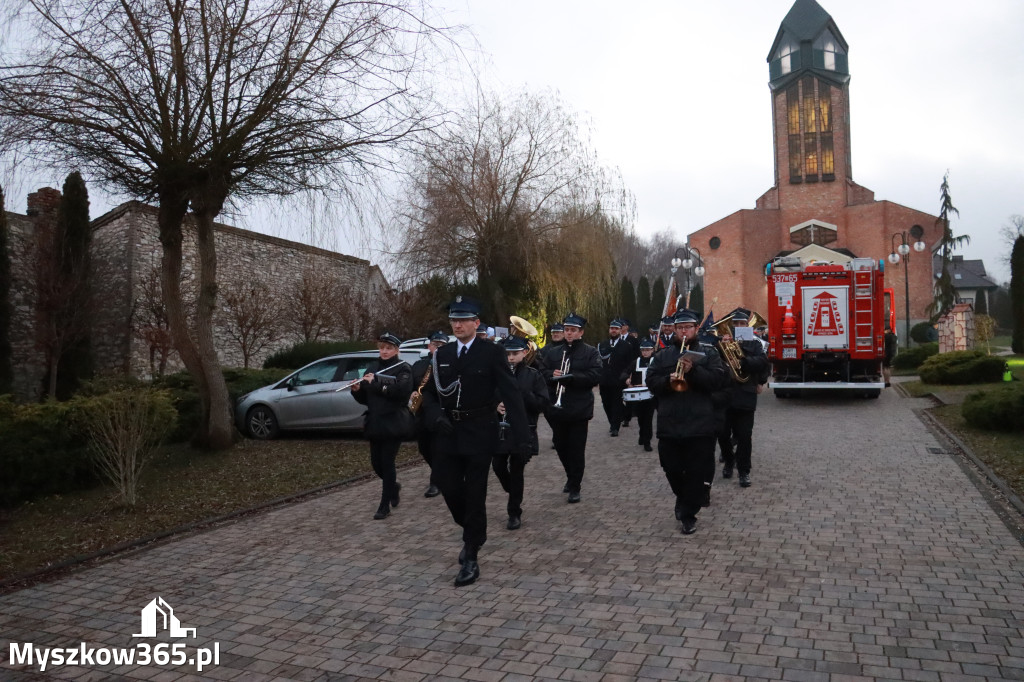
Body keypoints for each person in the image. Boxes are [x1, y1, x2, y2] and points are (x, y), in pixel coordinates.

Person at [420, 297, 529, 587]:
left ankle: (471, 554)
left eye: (464, 320)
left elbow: (511, 392)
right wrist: (433, 416)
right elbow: (429, 393)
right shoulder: (442, 355)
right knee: (450, 488)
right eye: (454, 320)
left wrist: (523, 436)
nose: (457, 324)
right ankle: (473, 531)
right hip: (447, 431)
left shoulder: (491, 353)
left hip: (480, 430)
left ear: (476, 323)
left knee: (476, 492)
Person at [646, 309, 730, 535]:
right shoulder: (663, 356)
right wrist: (667, 380)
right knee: (671, 468)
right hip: (669, 422)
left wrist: (693, 372)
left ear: (695, 329)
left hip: (699, 423)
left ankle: (688, 514)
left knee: (696, 471)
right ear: (674, 330)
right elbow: (651, 381)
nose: (684, 332)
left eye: (688, 327)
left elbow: (717, 381)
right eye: (679, 328)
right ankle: (683, 498)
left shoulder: (709, 354)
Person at [351, 332, 414, 520]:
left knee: (387, 463)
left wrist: (376, 383)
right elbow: (366, 398)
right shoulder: (373, 366)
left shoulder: (403, 369)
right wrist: (357, 391)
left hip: (393, 421)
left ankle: (384, 505)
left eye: (388, 348)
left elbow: (400, 393)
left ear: (396, 350)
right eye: (382, 348)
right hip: (375, 422)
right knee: (376, 464)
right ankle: (393, 487)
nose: (384, 351)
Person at [542, 312, 602, 503]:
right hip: (557, 407)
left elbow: (595, 375)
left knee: (576, 449)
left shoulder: (590, 352)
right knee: (560, 445)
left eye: (573, 330)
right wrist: (552, 373)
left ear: (581, 332)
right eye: (567, 330)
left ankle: (575, 485)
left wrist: (573, 377)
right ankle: (570, 475)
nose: (568, 333)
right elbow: (541, 372)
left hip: (579, 408)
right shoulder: (552, 352)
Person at [492, 336, 549, 530]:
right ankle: (513, 491)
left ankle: (514, 512)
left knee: (517, 471)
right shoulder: (497, 374)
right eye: (507, 354)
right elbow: (486, 396)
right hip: (500, 428)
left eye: (514, 354)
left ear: (524, 353)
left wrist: (523, 394)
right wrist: (495, 406)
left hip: (523, 430)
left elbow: (542, 403)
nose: (510, 358)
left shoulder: (533, 375)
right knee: (498, 465)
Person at [716, 312, 770, 487]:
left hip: (745, 394)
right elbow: (714, 364)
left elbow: (763, 362)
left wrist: (743, 361)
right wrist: (722, 349)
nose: (739, 325)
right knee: (723, 435)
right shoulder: (721, 343)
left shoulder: (755, 344)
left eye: (742, 322)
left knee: (745, 437)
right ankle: (729, 461)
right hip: (725, 396)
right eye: (736, 323)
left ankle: (744, 471)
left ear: (747, 325)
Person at [410, 330, 448, 498]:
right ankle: (442, 473)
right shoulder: (419, 365)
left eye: (442, 345)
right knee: (424, 448)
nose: (438, 348)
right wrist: (410, 394)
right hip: (421, 413)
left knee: (438, 448)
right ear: (429, 346)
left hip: (440, 412)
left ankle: (436, 481)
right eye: (435, 344)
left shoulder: (449, 364)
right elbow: (411, 385)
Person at [597, 319, 637, 437]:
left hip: (619, 379)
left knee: (616, 403)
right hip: (604, 380)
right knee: (606, 403)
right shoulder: (602, 345)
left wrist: (628, 377)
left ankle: (615, 427)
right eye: (612, 328)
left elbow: (630, 363)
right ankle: (613, 421)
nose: (613, 331)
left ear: (620, 330)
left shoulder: (626, 346)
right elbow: (598, 362)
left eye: (616, 329)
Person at [626, 338, 657, 451]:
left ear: (652, 350)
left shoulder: (656, 361)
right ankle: (642, 433)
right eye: (643, 350)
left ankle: (647, 441)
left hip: (651, 394)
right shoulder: (636, 362)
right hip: (638, 393)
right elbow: (625, 372)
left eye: (647, 350)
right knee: (640, 417)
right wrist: (627, 380)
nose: (645, 352)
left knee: (648, 418)